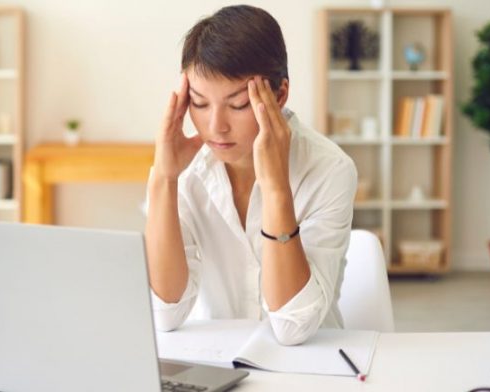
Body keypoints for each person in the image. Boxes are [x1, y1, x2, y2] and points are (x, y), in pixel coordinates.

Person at [145, 5, 357, 346]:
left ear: (280, 94)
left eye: (239, 104)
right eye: (199, 103)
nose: (217, 126)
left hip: (306, 365)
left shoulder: (329, 169)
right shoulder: (186, 171)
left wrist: (275, 189)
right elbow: (164, 314)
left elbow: (292, 328)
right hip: (215, 359)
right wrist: (163, 180)